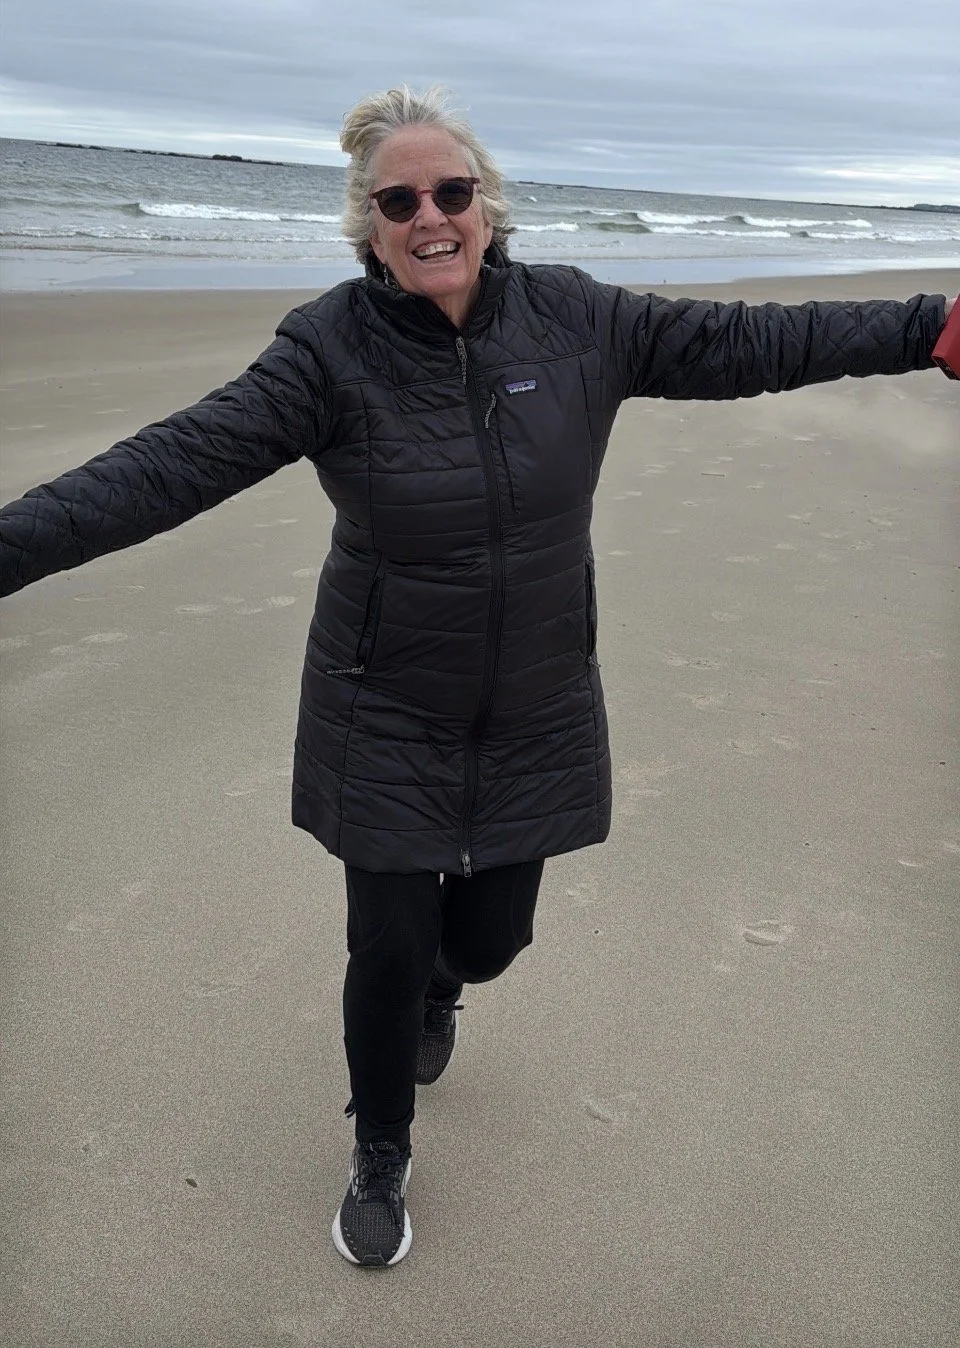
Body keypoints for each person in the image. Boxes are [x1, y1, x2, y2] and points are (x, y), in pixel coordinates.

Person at [0, 85, 954, 1268]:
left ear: (487, 206)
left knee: (490, 940)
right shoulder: (327, 353)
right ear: (370, 227)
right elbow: (168, 466)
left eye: (451, 191)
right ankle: (380, 1151)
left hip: (537, 697)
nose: (429, 216)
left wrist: (930, 325)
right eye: (400, 202)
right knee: (386, 947)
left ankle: (450, 989)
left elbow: (753, 338)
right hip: (383, 700)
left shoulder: (578, 322)